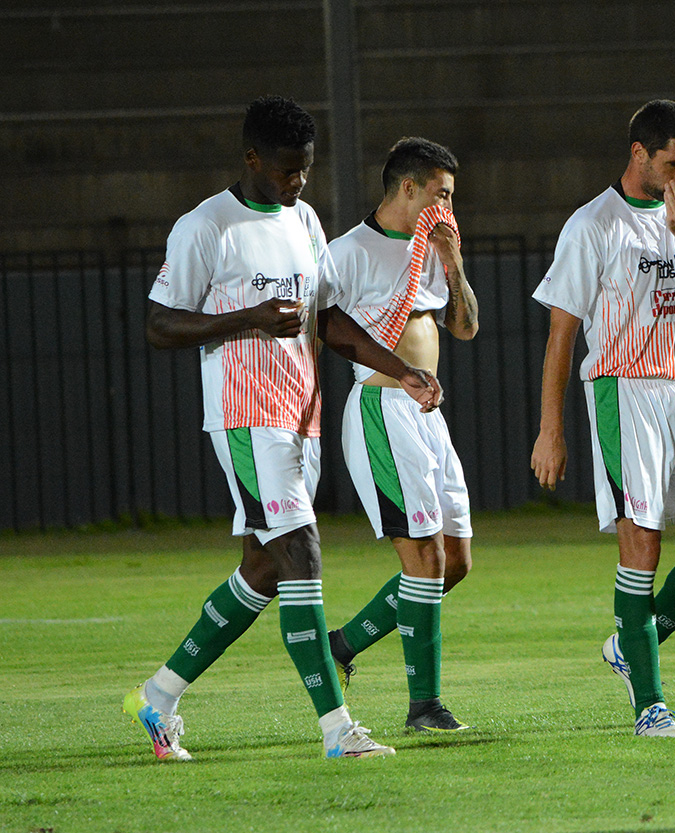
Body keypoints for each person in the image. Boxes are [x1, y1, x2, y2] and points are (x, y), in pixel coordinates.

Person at [123, 95, 443, 761]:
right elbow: (158, 324)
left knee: (264, 569)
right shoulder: (206, 227)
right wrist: (247, 318)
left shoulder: (304, 220)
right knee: (303, 553)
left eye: (306, 169)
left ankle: (158, 695)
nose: (296, 180)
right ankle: (338, 730)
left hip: (303, 417)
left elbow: (325, 319)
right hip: (246, 416)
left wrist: (400, 369)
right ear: (250, 159)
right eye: (285, 169)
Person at [530, 99, 675, 737]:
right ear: (639, 155)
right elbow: (561, 337)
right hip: (627, 391)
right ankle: (649, 706)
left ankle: (633, 642)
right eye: (673, 163)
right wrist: (551, 428)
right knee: (642, 540)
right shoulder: (593, 225)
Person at [323, 137, 477, 733]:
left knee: (455, 561)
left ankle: (343, 644)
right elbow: (321, 323)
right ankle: (424, 705)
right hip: (382, 408)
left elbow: (463, 328)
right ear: (408, 188)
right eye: (441, 194)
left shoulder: (430, 251)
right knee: (425, 557)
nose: (448, 206)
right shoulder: (350, 251)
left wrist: (453, 261)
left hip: (427, 416)